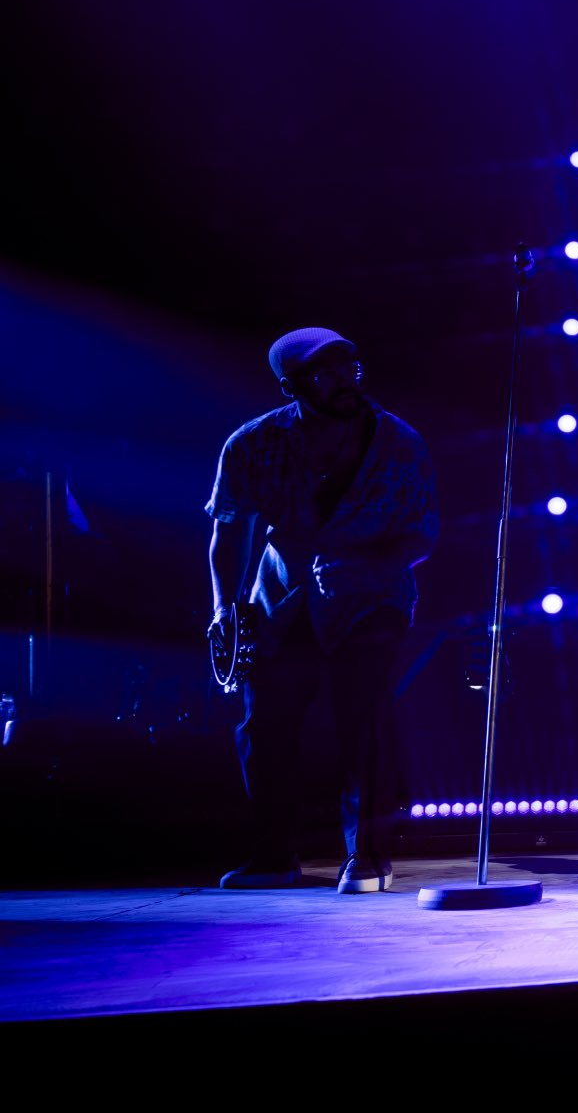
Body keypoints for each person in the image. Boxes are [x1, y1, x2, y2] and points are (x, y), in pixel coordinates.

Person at [206, 328, 438, 892]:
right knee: (264, 727)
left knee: (363, 720)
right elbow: (229, 529)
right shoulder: (252, 444)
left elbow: (423, 536)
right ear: (292, 386)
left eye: (350, 366)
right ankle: (273, 858)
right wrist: (223, 606)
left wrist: (369, 567)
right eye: (326, 372)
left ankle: (368, 857)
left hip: (371, 600)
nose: (345, 379)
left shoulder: (400, 444)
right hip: (283, 598)